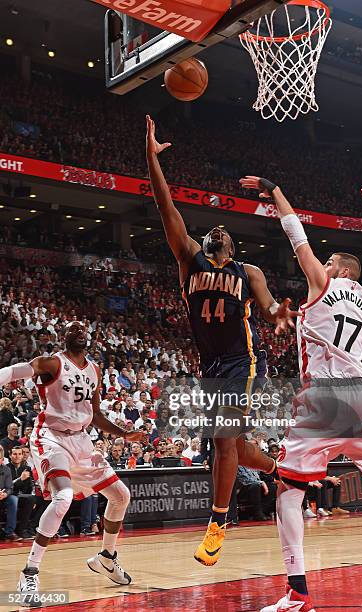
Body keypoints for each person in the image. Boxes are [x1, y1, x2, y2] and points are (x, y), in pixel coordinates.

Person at [240, 175, 362, 611]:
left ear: (339, 271)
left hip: (323, 400)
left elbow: (296, 235)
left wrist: (277, 191)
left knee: (288, 493)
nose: (324, 263)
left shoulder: (322, 284)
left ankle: (297, 596)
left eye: (330, 261)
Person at [146, 115, 298, 566]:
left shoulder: (247, 272)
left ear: (230, 247)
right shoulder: (189, 259)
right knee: (232, 445)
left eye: (224, 232)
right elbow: (164, 205)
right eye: (212, 230)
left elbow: (269, 307)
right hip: (210, 367)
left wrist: (279, 315)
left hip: (242, 361)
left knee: (223, 439)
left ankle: (217, 523)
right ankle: (281, 469)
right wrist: (151, 160)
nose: (217, 230)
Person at [0, 321, 146, 600]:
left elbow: (96, 414)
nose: (79, 331)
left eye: (83, 329)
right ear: (64, 337)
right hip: (51, 437)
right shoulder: (52, 363)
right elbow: (14, 372)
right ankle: (29, 573)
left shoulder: (94, 370)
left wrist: (125, 434)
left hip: (80, 440)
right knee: (63, 497)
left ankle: (106, 556)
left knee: (120, 496)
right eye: (73, 329)